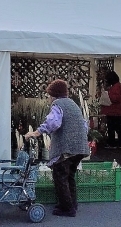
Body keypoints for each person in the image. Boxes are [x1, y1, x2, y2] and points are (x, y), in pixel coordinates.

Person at [25, 79, 89, 217]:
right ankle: (72, 204)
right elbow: (84, 125)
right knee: (70, 176)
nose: (48, 98)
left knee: (60, 175)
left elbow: (53, 122)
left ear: (53, 95)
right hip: (80, 146)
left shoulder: (57, 104)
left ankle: (67, 208)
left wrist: (36, 133)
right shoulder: (73, 104)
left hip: (67, 148)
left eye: (49, 95)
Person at [100, 70, 121, 148]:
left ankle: (113, 143)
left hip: (115, 112)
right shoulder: (118, 86)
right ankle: (119, 143)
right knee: (117, 128)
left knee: (112, 128)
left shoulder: (116, 87)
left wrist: (107, 93)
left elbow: (115, 99)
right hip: (117, 112)